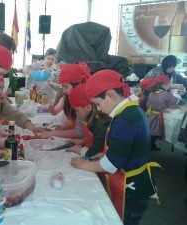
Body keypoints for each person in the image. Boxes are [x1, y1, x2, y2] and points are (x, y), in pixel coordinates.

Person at [71, 69, 160, 225]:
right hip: (136, 183)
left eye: (97, 104)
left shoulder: (124, 119)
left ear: (111, 95)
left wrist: (84, 164)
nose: (98, 109)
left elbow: (111, 166)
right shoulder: (131, 109)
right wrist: (107, 155)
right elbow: (124, 149)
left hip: (132, 191)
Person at [38, 62, 90, 139]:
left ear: (77, 84)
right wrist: (64, 127)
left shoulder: (83, 102)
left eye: (66, 87)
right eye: (63, 87)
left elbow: (79, 132)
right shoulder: (66, 98)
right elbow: (73, 122)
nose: (63, 91)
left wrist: (54, 133)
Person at [65, 83, 110, 159]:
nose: (76, 114)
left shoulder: (99, 125)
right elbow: (95, 138)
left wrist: (76, 149)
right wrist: (82, 141)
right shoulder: (90, 118)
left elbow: (94, 153)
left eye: (77, 110)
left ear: (88, 107)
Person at [146, 75, 187, 151]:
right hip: (157, 117)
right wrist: (184, 94)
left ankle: (151, 146)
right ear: (165, 83)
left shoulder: (152, 92)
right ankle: (149, 149)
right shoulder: (166, 94)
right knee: (154, 133)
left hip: (149, 116)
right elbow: (180, 102)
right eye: (169, 84)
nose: (170, 86)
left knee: (151, 132)